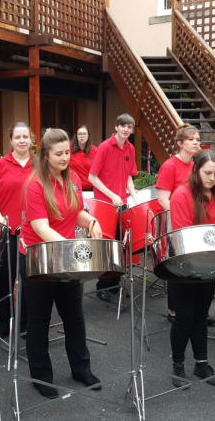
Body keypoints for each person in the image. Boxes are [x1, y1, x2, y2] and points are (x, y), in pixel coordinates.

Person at [19, 128, 103, 399]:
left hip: (64, 256)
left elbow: (76, 211)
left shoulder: (74, 179)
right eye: (59, 154)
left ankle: (81, 369)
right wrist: (70, 249)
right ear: (45, 156)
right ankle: (41, 376)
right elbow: (41, 228)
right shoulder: (34, 184)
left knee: (74, 316)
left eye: (67, 152)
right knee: (39, 319)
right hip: (39, 258)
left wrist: (92, 221)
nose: (66, 157)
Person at [168, 150, 215, 388]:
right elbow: (184, 236)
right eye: (207, 173)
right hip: (184, 265)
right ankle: (178, 365)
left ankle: (201, 364)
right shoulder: (181, 195)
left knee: (200, 316)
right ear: (196, 169)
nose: (212, 179)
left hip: (212, 264)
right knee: (184, 317)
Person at [0, 121, 34, 338]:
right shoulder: (2, 164)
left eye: (25, 136)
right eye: (18, 137)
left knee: (29, 281)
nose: (22, 140)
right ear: (11, 140)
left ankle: (26, 325)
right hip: (8, 233)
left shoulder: (40, 164)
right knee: (4, 281)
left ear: (31, 139)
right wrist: (0, 220)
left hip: (33, 234)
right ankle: (3, 326)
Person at [156, 125, 206, 324]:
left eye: (197, 139)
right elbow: (162, 199)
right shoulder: (170, 166)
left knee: (196, 263)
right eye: (191, 139)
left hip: (194, 222)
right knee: (177, 264)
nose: (196, 142)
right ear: (179, 143)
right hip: (175, 221)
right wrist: (181, 217)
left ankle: (197, 310)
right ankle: (174, 310)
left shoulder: (195, 165)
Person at [88, 114, 138, 302]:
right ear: (116, 127)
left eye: (129, 127)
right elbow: (93, 177)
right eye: (123, 126)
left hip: (122, 203)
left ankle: (115, 284)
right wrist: (112, 195)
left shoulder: (130, 148)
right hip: (105, 204)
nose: (126, 130)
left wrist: (135, 198)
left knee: (121, 245)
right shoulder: (104, 147)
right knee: (106, 247)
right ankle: (102, 286)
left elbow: (128, 177)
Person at [69, 125, 97, 191]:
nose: (82, 136)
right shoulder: (68, 148)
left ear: (88, 136)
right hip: (73, 187)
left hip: (91, 188)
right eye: (79, 134)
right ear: (76, 136)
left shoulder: (95, 150)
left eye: (84, 134)